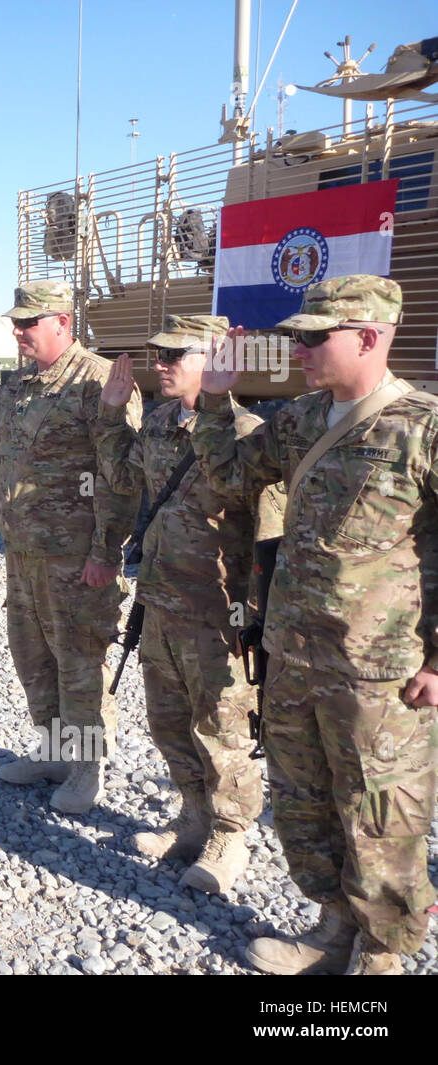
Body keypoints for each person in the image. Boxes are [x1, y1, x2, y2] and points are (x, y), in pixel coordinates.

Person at [192, 274, 437, 975]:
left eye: (313, 337)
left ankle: (381, 957)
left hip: (378, 671)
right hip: (295, 657)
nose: (299, 348)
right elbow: (229, 475)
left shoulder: (420, 425)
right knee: (305, 801)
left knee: (382, 816)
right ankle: (333, 929)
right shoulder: (302, 418)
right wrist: (216, 394)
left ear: (368, 337)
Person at [95, 314, 282, 893]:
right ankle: (192, 815)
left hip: (218, 612)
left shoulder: (250, 435)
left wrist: (256, 620)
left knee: (222, 727)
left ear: (213, 362)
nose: (162, 364)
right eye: (159, 354)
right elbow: (123, 479)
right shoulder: (157, 425)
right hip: (161, 599)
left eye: (176, 355)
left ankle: (230, 834)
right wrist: (109, 415)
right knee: (168, 720)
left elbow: (270, 536)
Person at [0, 280, 142, 814]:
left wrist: (107, 551)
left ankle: (87, 770)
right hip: (24, 551)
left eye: (28, 323)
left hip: (77, 559)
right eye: (16, 323)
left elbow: (121, 477)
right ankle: (55, 750)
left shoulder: (99, 381)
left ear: (63, 321)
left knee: (80, 666)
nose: (18, 332)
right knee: (32, 657)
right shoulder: (20, 383)